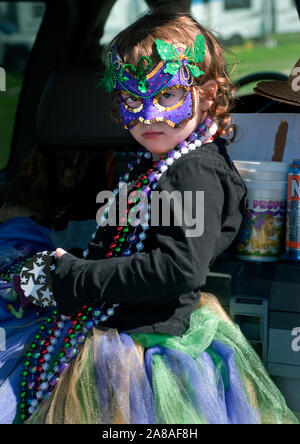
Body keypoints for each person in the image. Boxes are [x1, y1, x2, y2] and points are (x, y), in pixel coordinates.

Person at [0, 10, 298, 425]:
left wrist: (73, 277)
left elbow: (179, 267)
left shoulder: (193, 170)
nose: (149, 115)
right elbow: (127, 240)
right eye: (132, 99)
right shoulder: (158, 159)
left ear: (208, 95)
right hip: (117, 326)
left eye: (168, 96)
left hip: (141, 351)